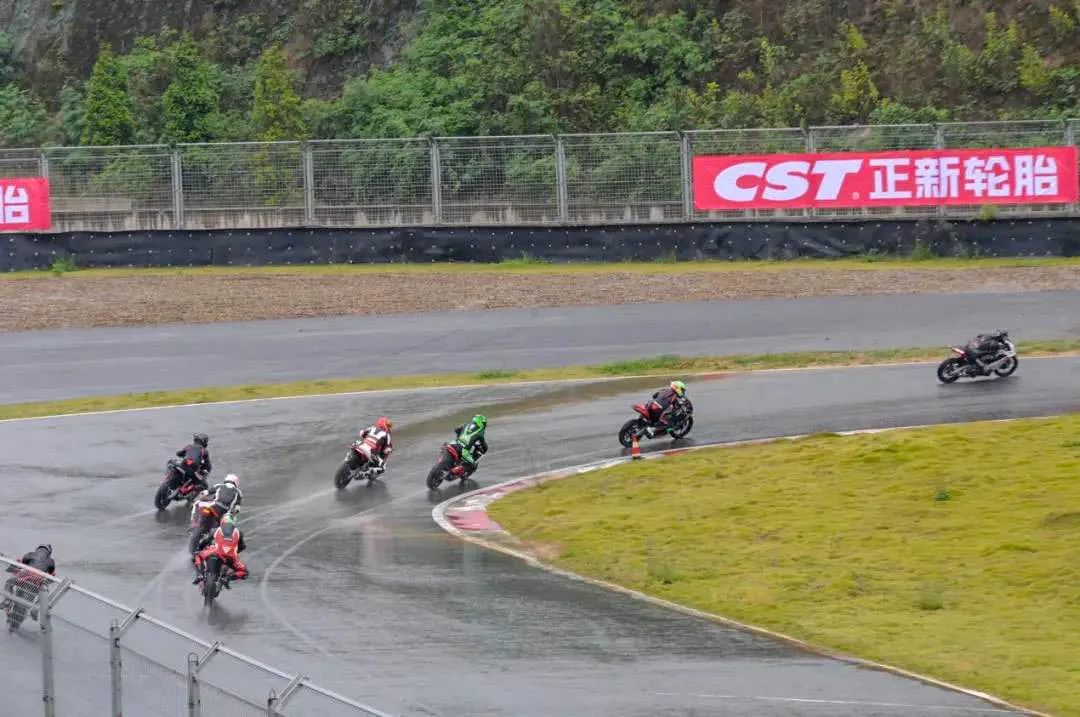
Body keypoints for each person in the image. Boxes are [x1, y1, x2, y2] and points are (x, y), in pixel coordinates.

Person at [192, 514, 248, 586]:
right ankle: (227, 578)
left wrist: (199, 548)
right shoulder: (239, 532)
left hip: (216, 552)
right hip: (231, 557)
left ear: (222, 521)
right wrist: (235, 551)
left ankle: (200, 575)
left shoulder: (216, 530)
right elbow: (243, 546)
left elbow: (205, 541)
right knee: (244, 572)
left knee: (197, 555)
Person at [1, 545, 55, 611]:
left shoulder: (31, 554)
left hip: (24, 578)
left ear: (38, 549)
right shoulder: (51, 561)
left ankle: (7, 601)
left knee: (9, 582)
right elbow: (51, 572)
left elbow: (23, 562)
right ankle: (35, 609)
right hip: (37, 583)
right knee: (41, 592)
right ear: (49, 553)